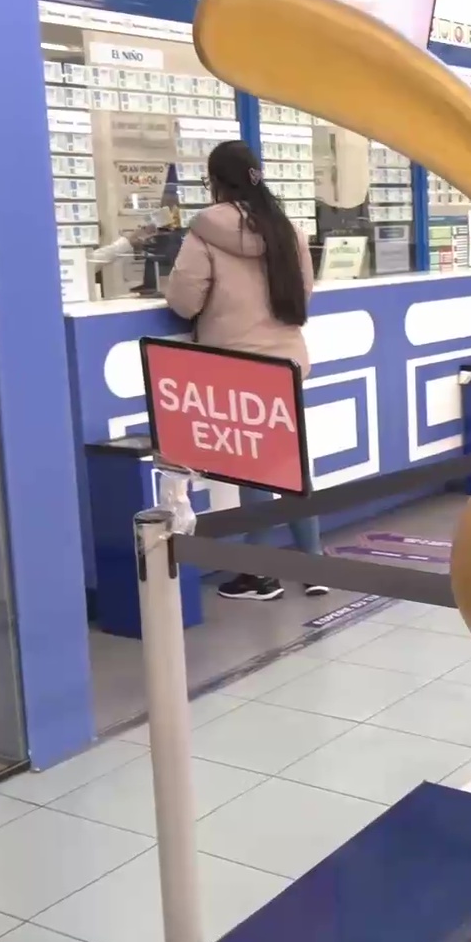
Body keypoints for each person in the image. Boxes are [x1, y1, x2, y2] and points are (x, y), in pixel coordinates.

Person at [163, 140, 326, 602]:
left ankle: (260, 574)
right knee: (291, 465)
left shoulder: (204, 233)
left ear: (215, 181)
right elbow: (305, 290)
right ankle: (312, 565)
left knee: (254, 468)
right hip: (287, 361)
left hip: (236, 364)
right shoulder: (286, 229)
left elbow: (184, 301)